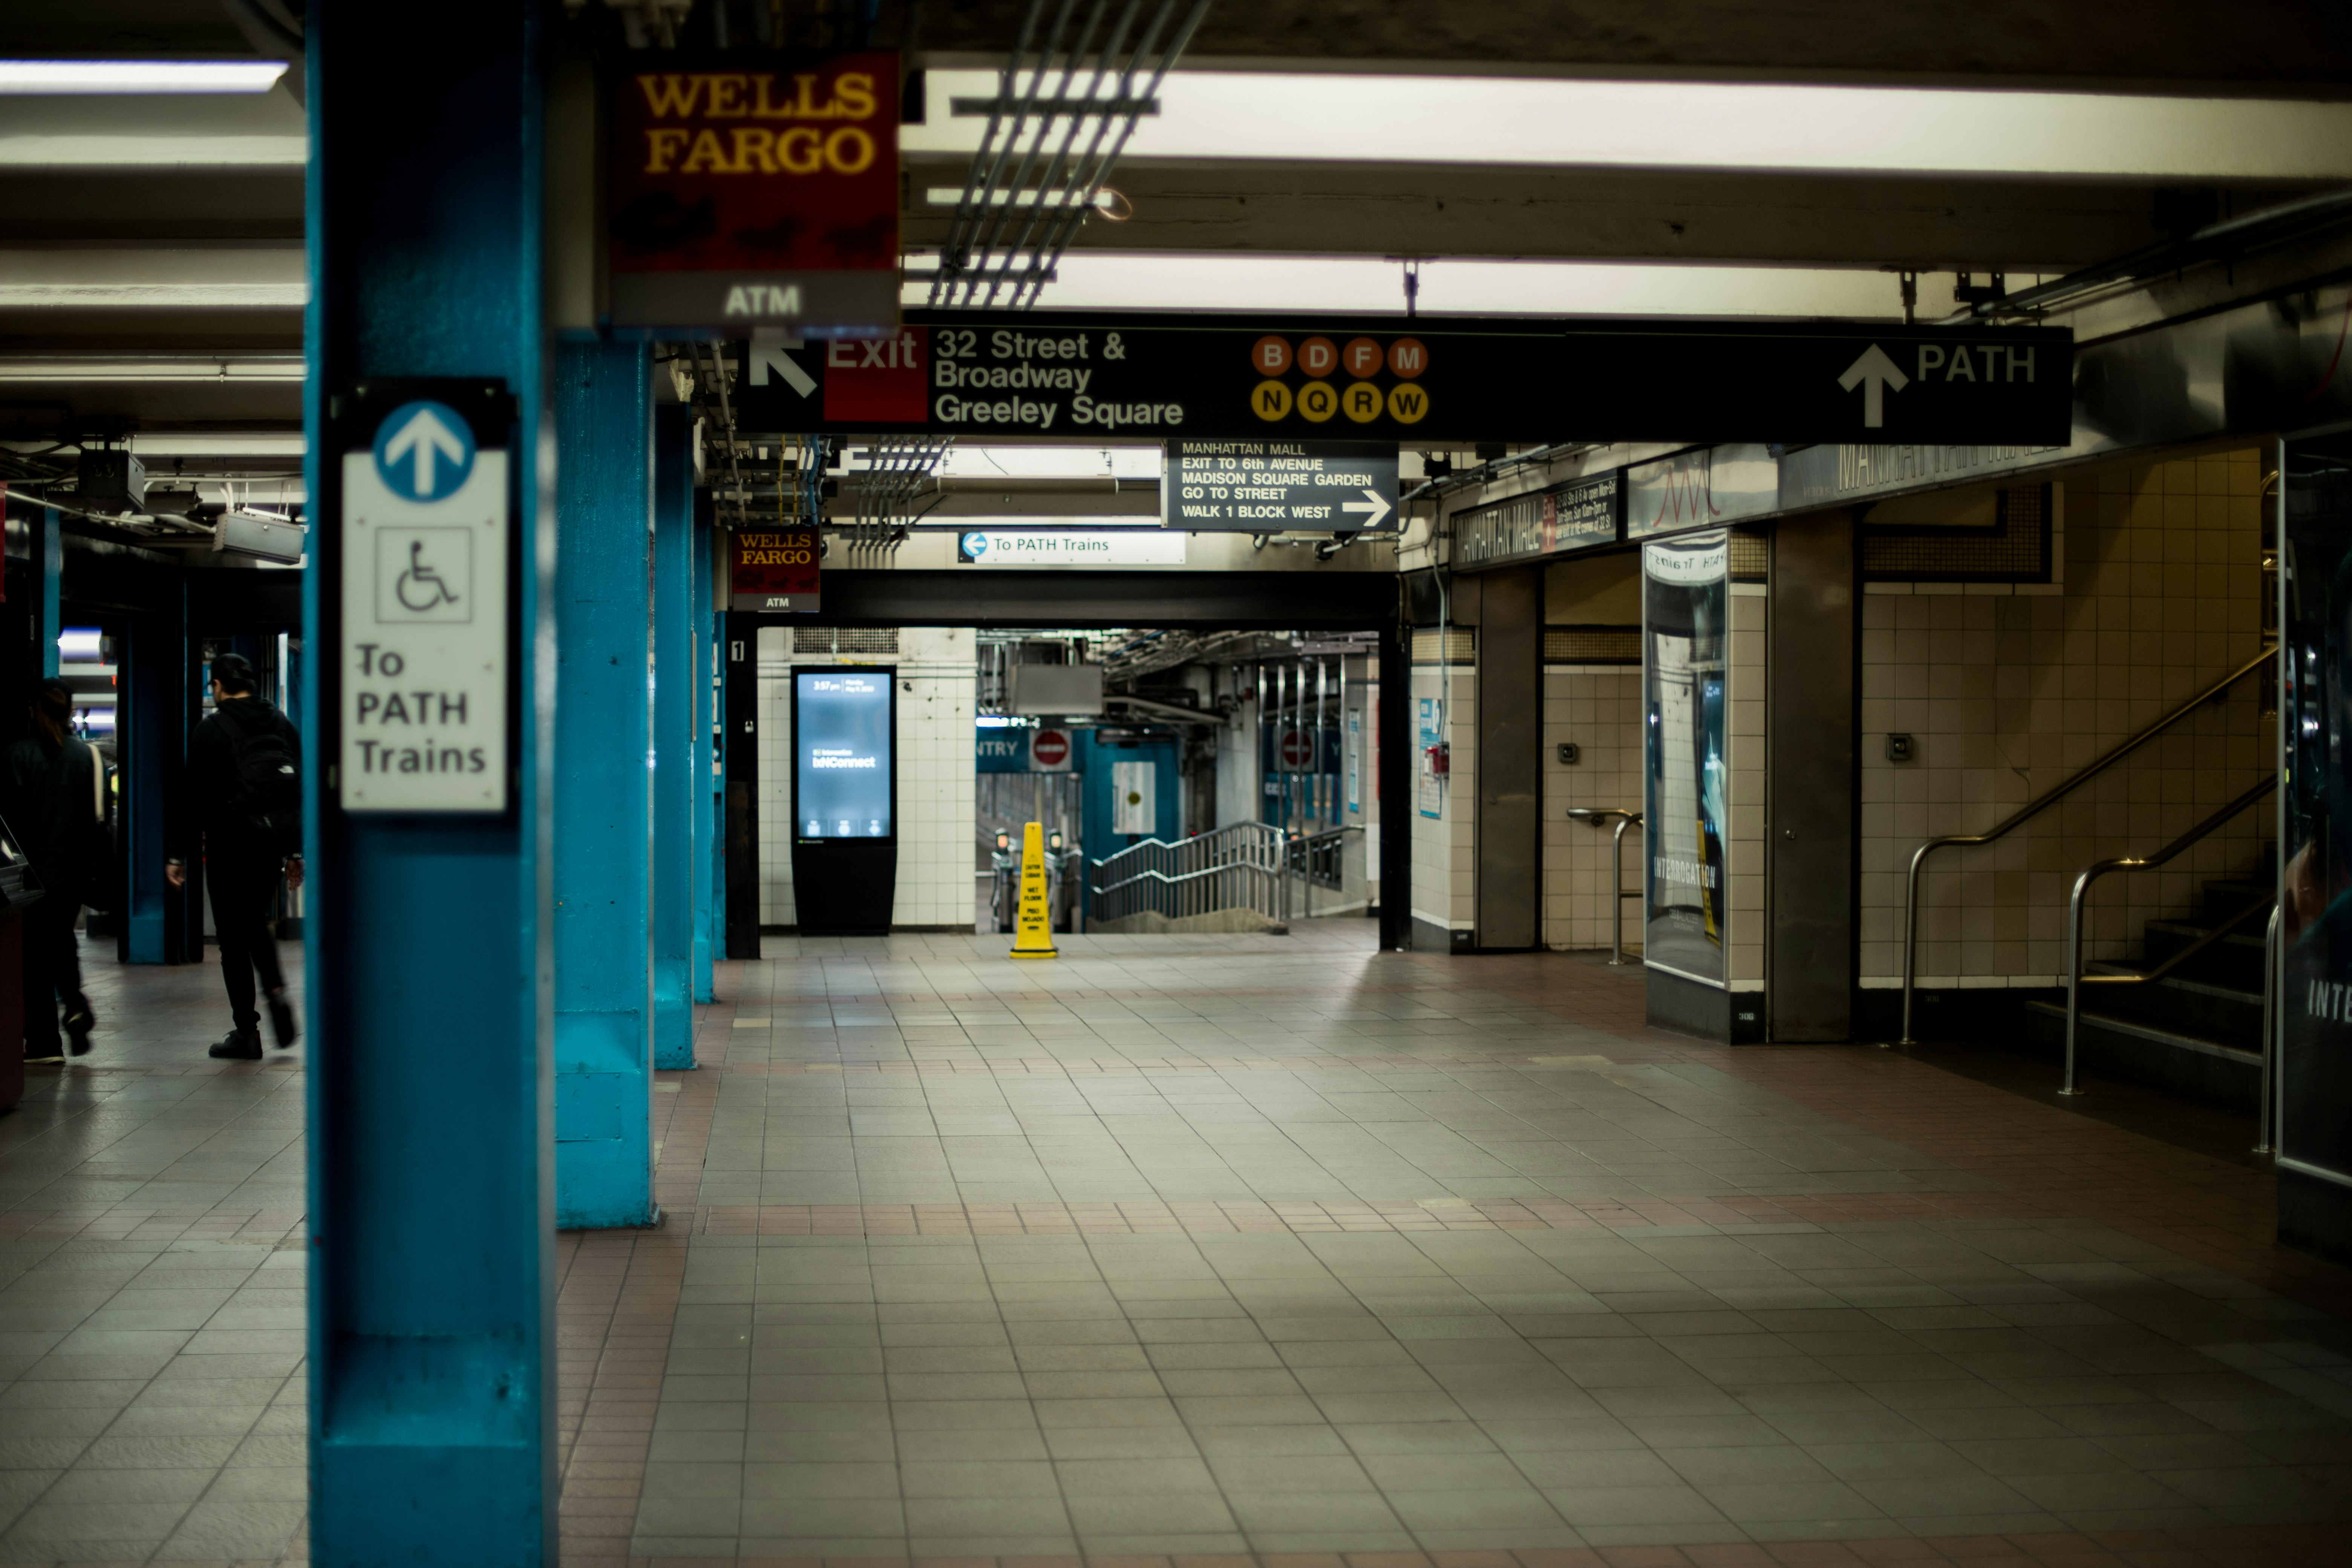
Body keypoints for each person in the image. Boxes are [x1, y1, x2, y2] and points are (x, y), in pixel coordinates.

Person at [168, 652, 303, 1060]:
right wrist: (294, 850)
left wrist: (179, 854)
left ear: (219, 686)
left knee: (234, 939)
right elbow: (297, 788)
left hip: (229, 844)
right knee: (254, 918)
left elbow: (192, 798)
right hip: (271, 844)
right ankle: (276, 990)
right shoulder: (281, 723)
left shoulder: (211, 728)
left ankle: (248, 1028)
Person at [2, 680, 106, 1063]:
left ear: (33, 709)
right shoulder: (88, 757)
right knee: (63, 941)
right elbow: (98, 822)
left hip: (29, 876)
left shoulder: (15, 756)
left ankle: (45, 1042)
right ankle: (76, 1002)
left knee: (33, 957)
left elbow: (7, 823)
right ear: (69, 711)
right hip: (72, 874)